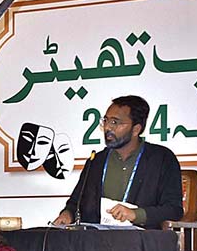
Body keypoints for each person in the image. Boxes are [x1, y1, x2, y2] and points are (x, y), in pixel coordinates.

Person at [53, 95, 183, 229]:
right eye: (106, 121)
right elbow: (76, 203)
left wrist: (135, 214)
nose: (108, 128)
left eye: (115, 122)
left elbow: (173, 210)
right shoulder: (96, 161)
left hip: (142, 242)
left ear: (136, 129)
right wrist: (67, 215)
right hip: (97, 242)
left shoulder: (162, 159)